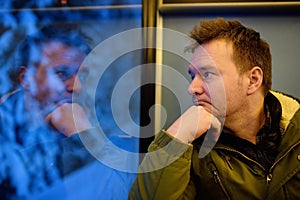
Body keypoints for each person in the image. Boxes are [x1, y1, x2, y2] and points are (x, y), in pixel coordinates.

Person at [129, 18, 300, 199]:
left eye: (208, 74)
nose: (192, 88)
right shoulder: (191, 150)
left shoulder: (294, 132)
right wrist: (176, 138)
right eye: (193, 76)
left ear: (253, 80)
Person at [0, 23, 95, 198]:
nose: (78, 87)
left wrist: (82, 135)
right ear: (27, 79)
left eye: (82, 76)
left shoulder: (86, 123)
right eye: (61, 73)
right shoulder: (6, 135)